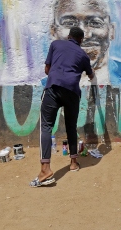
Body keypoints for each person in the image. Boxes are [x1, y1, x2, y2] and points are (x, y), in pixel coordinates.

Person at [30, 27, 95, 187]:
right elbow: (91, 75)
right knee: (71, 127)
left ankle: (45, 169)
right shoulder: (83, 56)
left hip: (53, 88)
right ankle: (73, 163)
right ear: (81, 40)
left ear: (69, 36)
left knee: (46, 127)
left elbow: (47, 69)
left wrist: (58, 73)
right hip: (72, 93)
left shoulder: (56, 44)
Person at [51, 0, 121, 85]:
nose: (84, 35)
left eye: (95, 23)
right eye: (69, 23)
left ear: (111, 31)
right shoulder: (43, 86)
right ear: (54, 32)